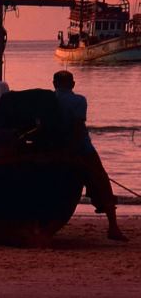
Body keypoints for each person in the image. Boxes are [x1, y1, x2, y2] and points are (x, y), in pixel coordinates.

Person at [52, 70, 125, 242]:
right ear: (72, 85)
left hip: (56, 148)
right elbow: (78, 127)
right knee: (102, 182)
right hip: (82, 149)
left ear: (54, 84)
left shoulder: (49, 100)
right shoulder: (79, 101)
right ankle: (113, 227)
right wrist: (74, 151)